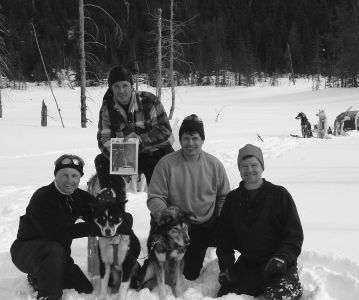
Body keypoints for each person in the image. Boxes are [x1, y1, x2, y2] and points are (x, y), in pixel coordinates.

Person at [10, 154, 133, 300]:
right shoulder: (42, 196)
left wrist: (120, 221)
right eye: (64, 175)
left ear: (80, 177)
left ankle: (38, 277)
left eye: (74, 176)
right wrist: (94, 228)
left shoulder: (80, 197)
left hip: (59, 255)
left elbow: (103, 215)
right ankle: (49, 296)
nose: (70, 180)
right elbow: (56, 234)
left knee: (84, 288)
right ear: (56, 174)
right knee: (53, 248)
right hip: (27, 251)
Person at [147, 114, 231, 280]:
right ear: (180, 139)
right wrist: (168, 217)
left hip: (204, 224)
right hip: (174, 225)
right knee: (173, 271)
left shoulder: (214, 165)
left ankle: (228, 268)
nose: (190, 143)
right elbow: (155, 197)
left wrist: (220, 216)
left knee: (189, 274)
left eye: (195, 138)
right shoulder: (166, 163)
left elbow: (224, 195)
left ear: (202, 140)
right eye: (186, 138)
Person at [216, 144, 304, 300]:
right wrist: (226, 267)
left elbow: (294, 236)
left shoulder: (280, 195)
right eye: (244, 166)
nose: (249, 170)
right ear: (239, 169)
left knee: (278, 293)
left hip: (278, 264)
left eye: (254, 165)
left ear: (262, 166)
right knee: (226, 295)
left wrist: (282, 258)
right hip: (249, 264)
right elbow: (224, 240)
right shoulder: (232, 199)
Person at [95, 65, 174, 201]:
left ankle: (162, 213)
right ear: (111, 88)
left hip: (155, 151)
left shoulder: (149, 100)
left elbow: (165, 130)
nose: (121, 91)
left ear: (132, 86)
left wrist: (142, 139)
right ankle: (114, 208)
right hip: (125, 154)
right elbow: (103, 140)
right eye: (116, 86)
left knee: (160, 179)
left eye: (125, 85)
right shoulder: (107, 108)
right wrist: (118, 161)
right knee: (101, 161)